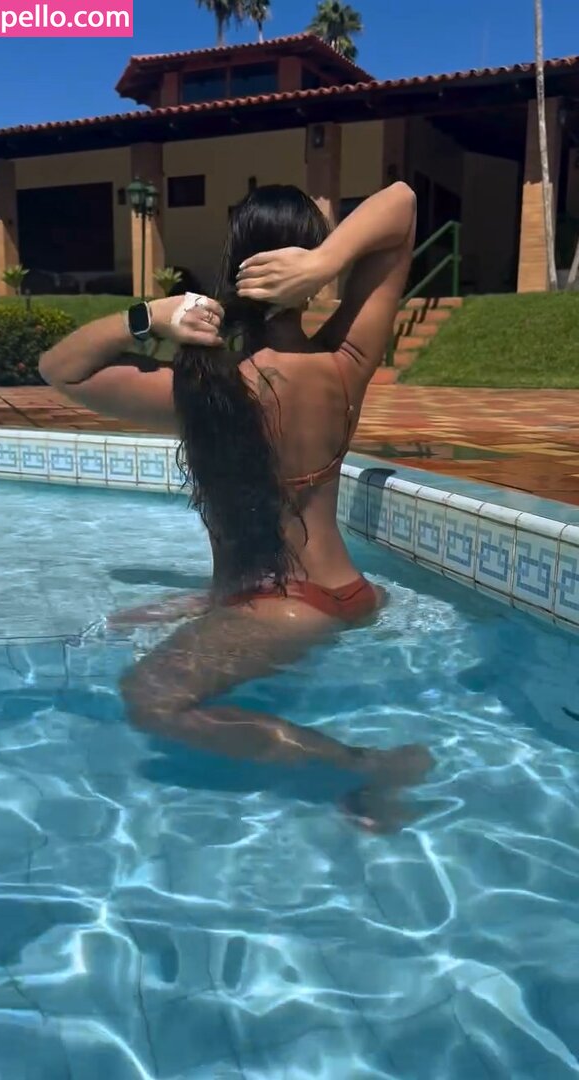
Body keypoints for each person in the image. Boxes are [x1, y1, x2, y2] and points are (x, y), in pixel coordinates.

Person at [39, 181, 431, 831]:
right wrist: (328, 262)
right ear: (304, 271)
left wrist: (152, 315)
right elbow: (402, 203)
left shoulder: (209, 390)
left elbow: (60, 369)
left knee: (150, 698)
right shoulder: (347, 362)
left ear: (235, 268)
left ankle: (368, 766)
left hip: (283, 606)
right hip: (352, 593)